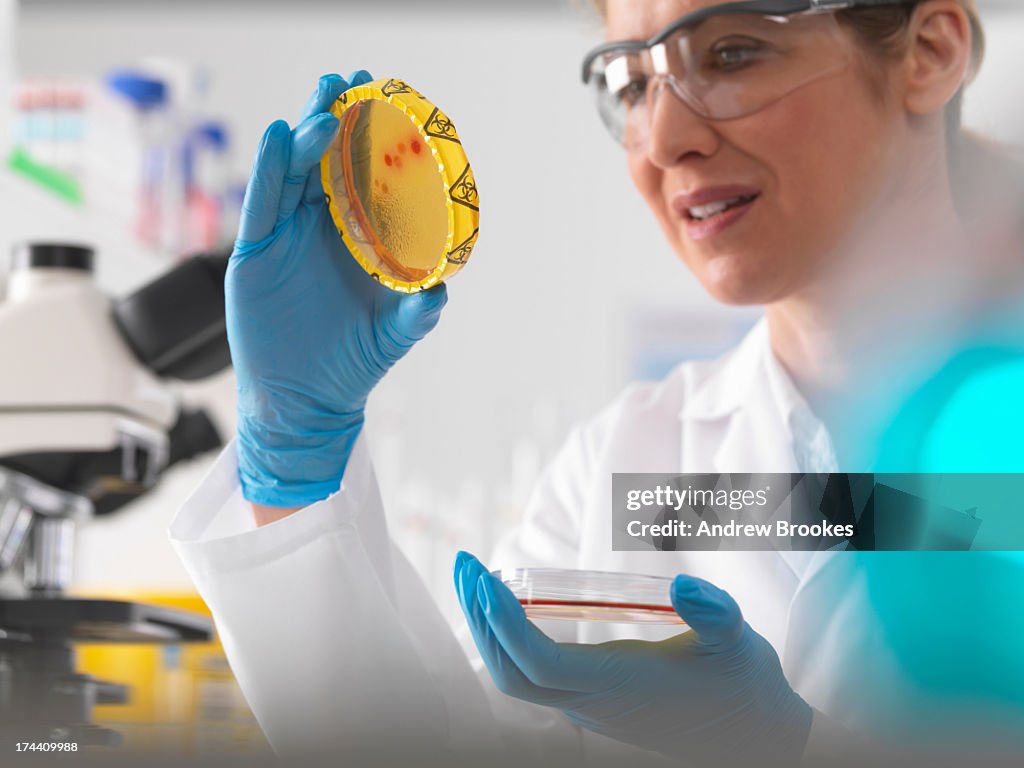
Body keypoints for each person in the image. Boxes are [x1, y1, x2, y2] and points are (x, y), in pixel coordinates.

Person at [170, 0, 1024, 765]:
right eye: (631, 84)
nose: (663, 140)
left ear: (929, 53)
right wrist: (297, 467)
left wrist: (788, 747)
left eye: (731, 55)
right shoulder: (623, 462)